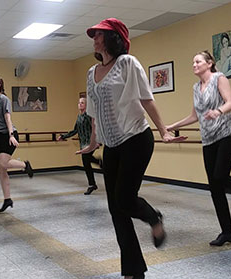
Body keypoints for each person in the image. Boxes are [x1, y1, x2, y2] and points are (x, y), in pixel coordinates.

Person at [78, 18, 186, 279]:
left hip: (137, 139)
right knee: (116, 210)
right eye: (94, 34)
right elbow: (93, 113)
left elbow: (146, 98)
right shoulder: (91, 73)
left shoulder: (128, 63)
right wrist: (93, 143)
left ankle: (154, 217)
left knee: (125, 198)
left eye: (100, 34)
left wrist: (163, 130)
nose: (94, 38)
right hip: (113, 145)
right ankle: (133, 271)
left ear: (113, 38)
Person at [166, 50, 231, 247]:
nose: (194, 65)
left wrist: (218, 111)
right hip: (208, 139)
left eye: (198, 61)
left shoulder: (219, 78)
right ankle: (227, 232)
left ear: (209, 63)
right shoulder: (196, 88)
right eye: (193, 62)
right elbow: (194, 116)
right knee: (215, 187)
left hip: (228, 134)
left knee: (220, 175)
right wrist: (171, 126)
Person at [0, 76, 33, 213]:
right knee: (2, 170)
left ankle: (25, 165)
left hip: (8, 135)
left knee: (3, 164)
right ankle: (7, 199)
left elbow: (7, 117)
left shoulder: (4, 99)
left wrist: (10, 134)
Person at [58, 97, 102, 195]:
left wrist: (98, 141)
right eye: (79, 103)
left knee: (86, 159)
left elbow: (96, 128)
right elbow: (75, 130)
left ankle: (92, 183)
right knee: (87, 162)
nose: (80, 104)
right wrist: (63, 136)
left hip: (91, 142)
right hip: (83, 144)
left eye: (82, 103)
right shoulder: (79, 117)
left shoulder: (89, 116)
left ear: (86, 105)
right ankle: (98, 166)